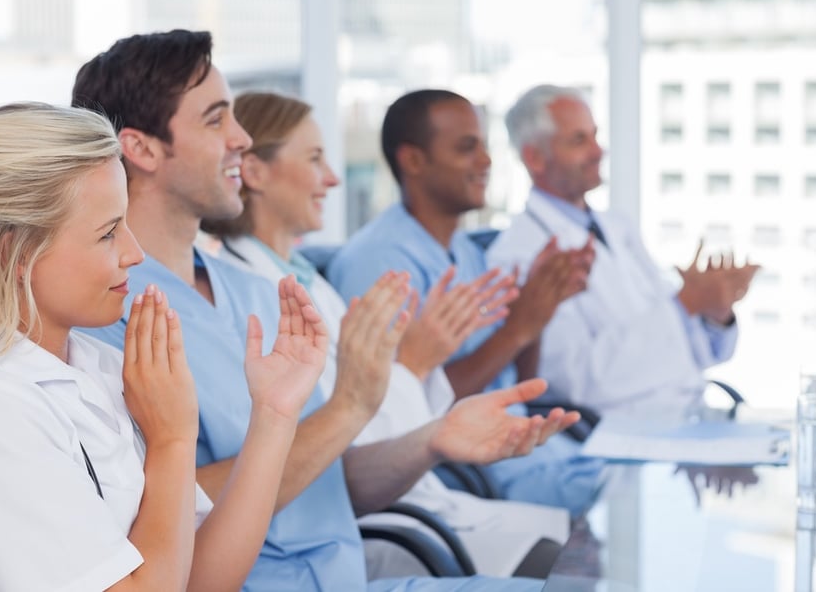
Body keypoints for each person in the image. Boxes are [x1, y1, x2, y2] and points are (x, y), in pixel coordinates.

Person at [73, 29, 572, 591]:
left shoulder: (261, 293)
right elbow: (162, 512)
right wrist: (347, 406)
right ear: (141, 149)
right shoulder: (109, 318)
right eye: (215, 121)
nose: (241, 139)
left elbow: (328, 485)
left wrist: (430, 441)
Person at [0, 103, 328, 591]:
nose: (134, 253)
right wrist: (171, 441)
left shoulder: (101, 368)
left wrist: (273, 414)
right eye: (107, 233)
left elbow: (202, 580)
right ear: (11, 253)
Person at [203, 90, 573, 578]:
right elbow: (349, 435)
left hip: (416, 503)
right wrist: (415, 362)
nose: (334, 179)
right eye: (315, 159)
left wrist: (420, 364)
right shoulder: (254, 299)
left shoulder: (306, 283)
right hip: (376, 525)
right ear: (253, 171)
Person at [326, 89, 604, 516]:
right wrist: (517, 329)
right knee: (631, 499)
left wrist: (537, 310)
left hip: (529, 449)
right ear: (414, 161)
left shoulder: (467, 249)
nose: (486, 162)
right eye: (466, 148)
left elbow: (514, 385)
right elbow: (399, 410)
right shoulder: (381, 263)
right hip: (472, 474)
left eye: (485, 146)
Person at [488, 84, 758, 415]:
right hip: (619, 434)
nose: (597, 151)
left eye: (594, 136)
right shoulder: (518, 253)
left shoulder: (617, 227)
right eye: (578, 140)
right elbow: (572, 382)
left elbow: (690, 350)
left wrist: (714, 314)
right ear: (534, 157)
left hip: (686, 414)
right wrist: (685, 303)